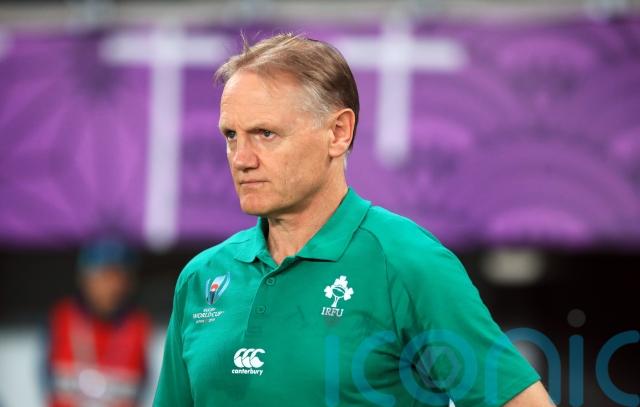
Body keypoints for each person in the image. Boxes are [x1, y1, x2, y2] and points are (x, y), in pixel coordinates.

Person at [154, 34, 554, 406]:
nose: (241, 158)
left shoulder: (409, 264)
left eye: (265, 133)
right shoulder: (202, 278)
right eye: (231, 135)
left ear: (338, 132)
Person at [45, 239, 150, 407]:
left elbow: (142, 386)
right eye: (104, 276)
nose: (113, 286)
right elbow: (46, 379)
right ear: (84, 279)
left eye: (119, 276)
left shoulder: (138, 326)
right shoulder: (61, 319)